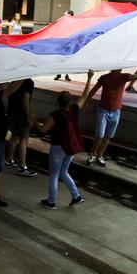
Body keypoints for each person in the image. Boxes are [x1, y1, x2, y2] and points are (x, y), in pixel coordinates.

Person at [37, 71, 95, 209]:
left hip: (58, 148)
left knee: (54, 175)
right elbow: (85, 96)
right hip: (70, 147)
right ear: (70, 102)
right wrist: (89, 79)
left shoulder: (55, 115)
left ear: (58, 103)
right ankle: (76, 196)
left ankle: (51, 202)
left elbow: (42, 130)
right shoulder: (75, 110)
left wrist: (33, 120)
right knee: (64, 172)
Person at [85, 68, 137, 167]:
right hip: (103, 110)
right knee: (100, 135)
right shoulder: (105, 78)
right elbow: (94, 90)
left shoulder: (124, 76)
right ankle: (93, 155)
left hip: (115, 111)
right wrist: (87, 102)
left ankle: (99, 156)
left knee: (108, 136)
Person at [5, 78, 39, 177]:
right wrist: (28, 116)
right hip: (21, 114)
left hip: (11, 112)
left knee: (14, 136)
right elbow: (25, 99)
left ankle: (9, 160)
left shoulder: (15, 80)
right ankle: (22, 166)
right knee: (24, 140)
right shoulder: (29, 82)